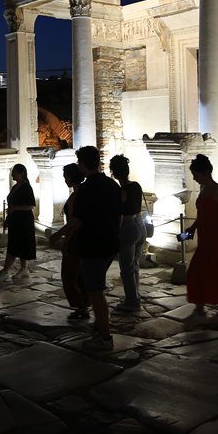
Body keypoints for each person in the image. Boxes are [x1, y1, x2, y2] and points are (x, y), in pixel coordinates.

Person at [57, 146, 120, 350]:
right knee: (95, 289)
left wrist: (59, 235)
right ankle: (98, 328)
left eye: (79, 163)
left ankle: (105, 338)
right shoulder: (112, 185)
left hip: (94, 245)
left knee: (96, 292)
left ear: (83, 164)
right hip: (110, 243)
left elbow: (78, 221)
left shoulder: (86, 190)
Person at [180, 154, 218, 326]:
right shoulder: (204, 189)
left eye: (196, 175)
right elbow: (203, 215)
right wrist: (192, 229)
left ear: (205, 172)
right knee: (196, 274)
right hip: (205, 242)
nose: (194, 178)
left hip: (217, 242)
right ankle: (200, 310)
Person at [49, 163, 89, 323]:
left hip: (75, 239)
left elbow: (73, 222)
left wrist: (62, 238)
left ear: (71, 177)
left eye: (66, 176)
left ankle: (80, 306)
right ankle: (85, 304)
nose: (64, 179)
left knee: (69, 276)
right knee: (80, 275)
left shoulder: (75, 197)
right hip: (85, 238)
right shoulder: (83, 193)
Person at [110, 155, 145, 313]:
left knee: (126, 268)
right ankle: (135, 296)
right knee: (135, 264)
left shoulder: (122, 191)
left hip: (128, 227)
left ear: (114, 173)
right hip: (140, 224)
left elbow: (120, 215)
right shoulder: (136, 185)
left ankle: (132, 301)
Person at [0, 164, 37, 283]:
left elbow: (31, 205)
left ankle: (6, 271)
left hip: (23, 220)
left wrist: (15, 208)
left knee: (16, 245)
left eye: (15, 172)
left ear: (21, 173)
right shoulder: (16, 186)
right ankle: (24, 269)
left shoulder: (26, 187)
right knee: (18, 244)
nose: (12, 174)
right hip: (15, 220)